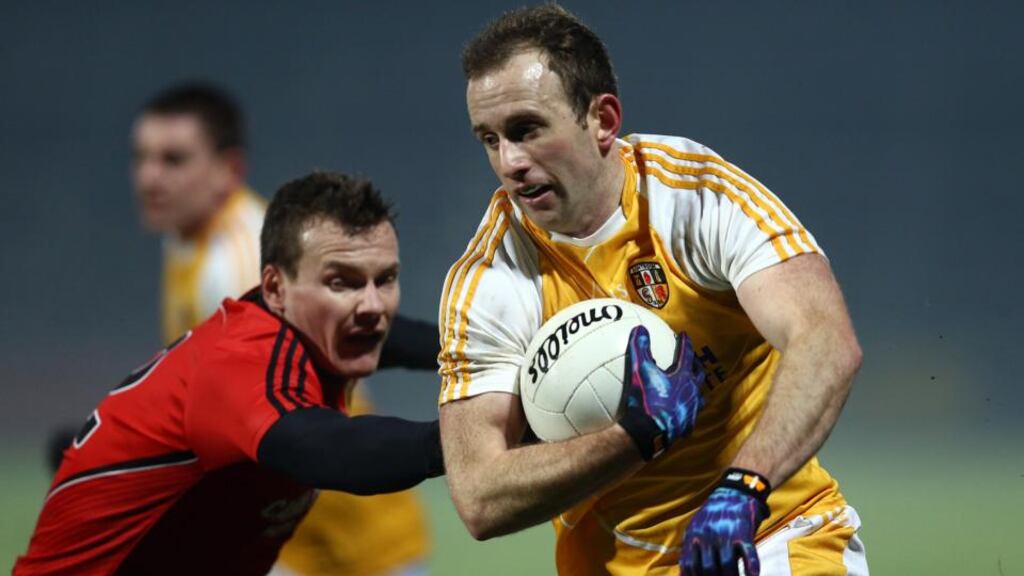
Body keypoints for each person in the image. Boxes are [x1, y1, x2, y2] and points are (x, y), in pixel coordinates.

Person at [438, 5, 867, 575]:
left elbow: (825, 340)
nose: (510, 162)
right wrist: (634, 436)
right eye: (489, 140)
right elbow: (479, 496)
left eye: (527, 130)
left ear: (603, 120)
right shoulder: (489, 281)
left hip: (770, 533)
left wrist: (745, 486)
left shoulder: (694, 196)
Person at [52, 81, 436, 576]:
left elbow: (366, 334)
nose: (149, 177)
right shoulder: (187, 239)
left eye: (173, 159)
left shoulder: (237, 261)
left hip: (351, 529)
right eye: (141, 157)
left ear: (228, 171)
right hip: (280, 520)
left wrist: (467, 354)